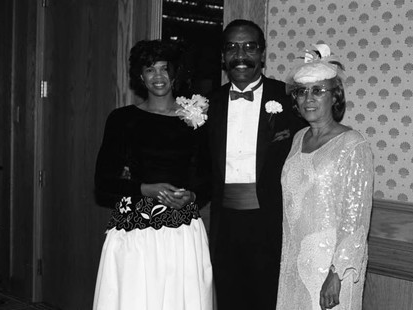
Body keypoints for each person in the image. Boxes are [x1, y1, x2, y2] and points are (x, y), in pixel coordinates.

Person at [93, 39, 213, 310]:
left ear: (175, 73)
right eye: (150, 69)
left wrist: (192, 195)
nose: (158, 76)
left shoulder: (195, 119)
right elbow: (103, 182)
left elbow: (207, 178)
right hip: (135, 232)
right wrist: (146, 189)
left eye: (164, 69)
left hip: (182, 232)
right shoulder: (122, 119)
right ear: (140, 75)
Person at [206, 19, 306, 310]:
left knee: (269, 300)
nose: (241, 55)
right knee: (228, 299)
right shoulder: (207, 104)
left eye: (250, 47)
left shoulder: (289, 98)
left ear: (263, 54)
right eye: (232, 48)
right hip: (224, 224)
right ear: (223, 56)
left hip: (273, 223)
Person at [276, 44, 374, 310]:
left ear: (335, 96)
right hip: (295, 260)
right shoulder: (298, 139)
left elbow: (355, 218)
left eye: (318, 91)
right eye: (302, 92)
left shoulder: (352, 144)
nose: (308, 98)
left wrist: (336, 273)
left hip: (332, 267)